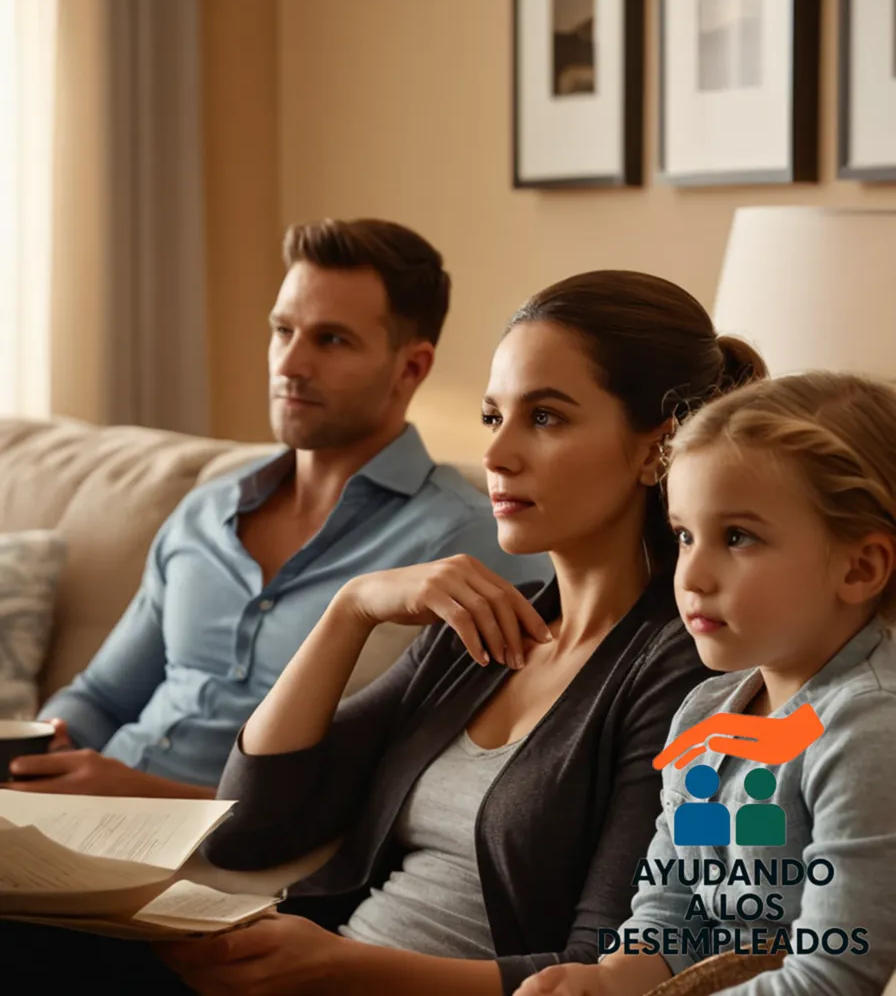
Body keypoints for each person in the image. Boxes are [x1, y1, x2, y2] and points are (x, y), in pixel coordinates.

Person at [0, 269, 763, 994]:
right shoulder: (487, 628)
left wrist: (338, 972)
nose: (495, 456)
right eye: (494, 416)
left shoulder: (683, 669)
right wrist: (351, 610)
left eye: (546, 417)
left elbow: (598, 971)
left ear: (657, 447)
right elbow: (252, 829)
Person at [8, 218, 551, 799]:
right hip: (84, 820)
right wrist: (51, 745)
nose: (290, 365)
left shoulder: (471, 544)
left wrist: (142, 795)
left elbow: (403, 802)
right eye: (282, 330)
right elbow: (102, 698)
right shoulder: (205, 511)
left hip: (232, 860)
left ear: (410, 367)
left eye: (331, 340)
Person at [518, 372, 896, 996]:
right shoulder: (705, 712)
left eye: (738, 537)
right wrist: (607, 981)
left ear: (860, 567)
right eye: (685, 535)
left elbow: (833, 975)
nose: (690, 574)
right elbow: (671, 914)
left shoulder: (868, 729)